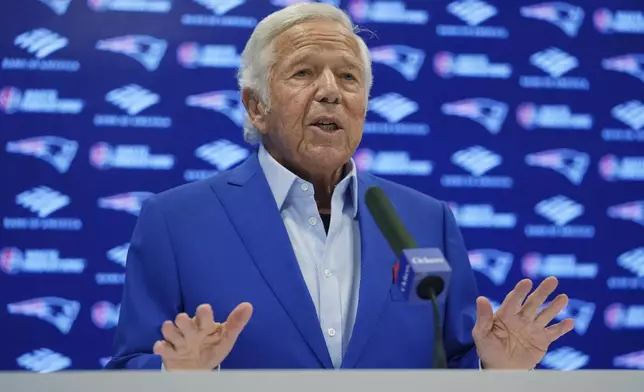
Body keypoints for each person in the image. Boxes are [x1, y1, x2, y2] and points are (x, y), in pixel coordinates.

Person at [105, 3, 574, 371]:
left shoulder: (425, 220)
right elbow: (129, 366)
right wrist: (176, 374)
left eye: (348, 76)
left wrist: (495, 370)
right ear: (256, 107)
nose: (331, 90)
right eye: (304, 73)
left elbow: (449, 362)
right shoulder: (177, 220)